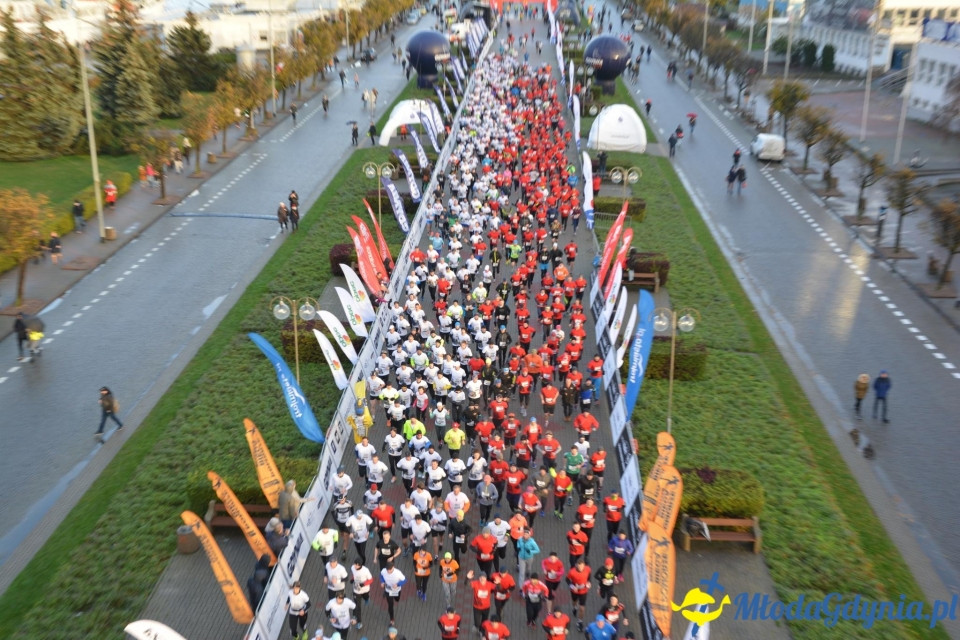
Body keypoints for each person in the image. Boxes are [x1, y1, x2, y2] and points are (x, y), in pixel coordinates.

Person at [349, 558, 373, 629]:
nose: (355, 566)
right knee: (358, 606)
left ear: (360, 565)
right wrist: (352, 579)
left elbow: (371, 580)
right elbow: (354, 575)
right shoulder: (352, 568)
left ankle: (367, 598)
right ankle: (359, 622)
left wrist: (363, 584)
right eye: (355, 564)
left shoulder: (365, 570)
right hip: (356, 590)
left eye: (357, 565)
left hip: (365, 589)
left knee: (366, 597)